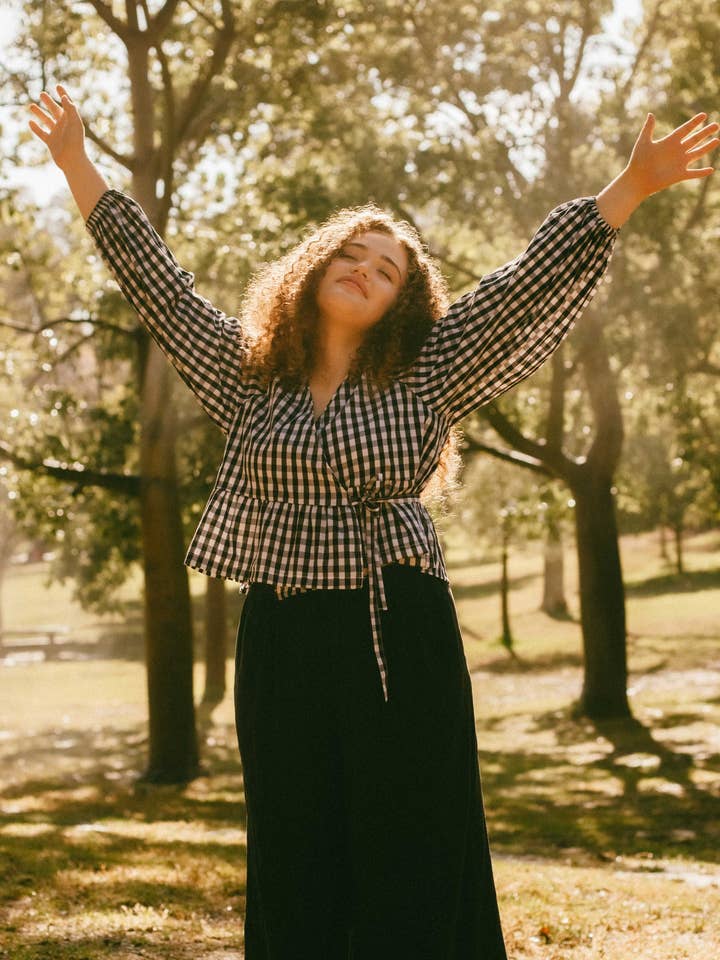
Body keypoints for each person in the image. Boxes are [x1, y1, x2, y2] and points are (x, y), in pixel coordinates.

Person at [28, 83, 718, 959]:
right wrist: (78, 164)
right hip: (281, 628)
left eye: (386, 269)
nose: (363, 269)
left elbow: (520, 288)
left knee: (412, 839)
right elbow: (159, 287)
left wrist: (630, 189)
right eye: (350, 254)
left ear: (402, 302)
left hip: (398, 623)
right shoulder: (249, 377)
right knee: (295, 843)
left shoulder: (429, 371)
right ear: (313, 272)